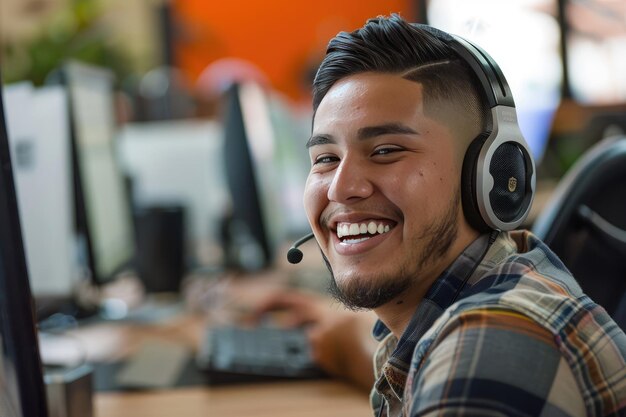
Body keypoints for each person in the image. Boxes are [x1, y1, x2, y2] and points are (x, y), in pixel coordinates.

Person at [257, 14, 626, 416]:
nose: (340, 187)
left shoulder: (491, 348)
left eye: (385, 151)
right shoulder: (477, 300)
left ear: (491, 175)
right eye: (326, 158)